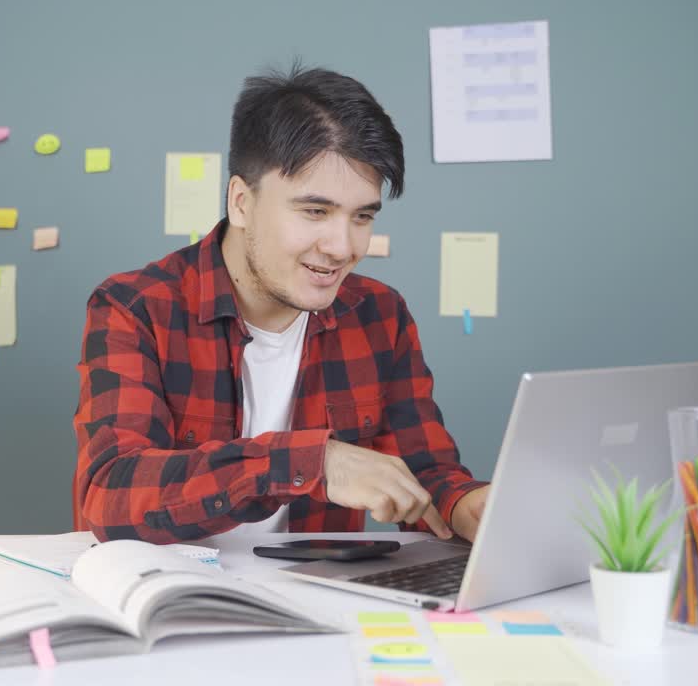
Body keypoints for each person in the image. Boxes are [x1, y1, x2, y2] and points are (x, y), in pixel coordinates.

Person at [73, 64, 490, 545]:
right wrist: (312, 463)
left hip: (315, 601)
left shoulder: (380, 315)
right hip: (173, 600)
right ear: (241, 202)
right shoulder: (135, 308)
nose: (341, 246)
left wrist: (462, 503)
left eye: (362, 216)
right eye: (315, 211)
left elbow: (426, 475)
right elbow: (111, 495)